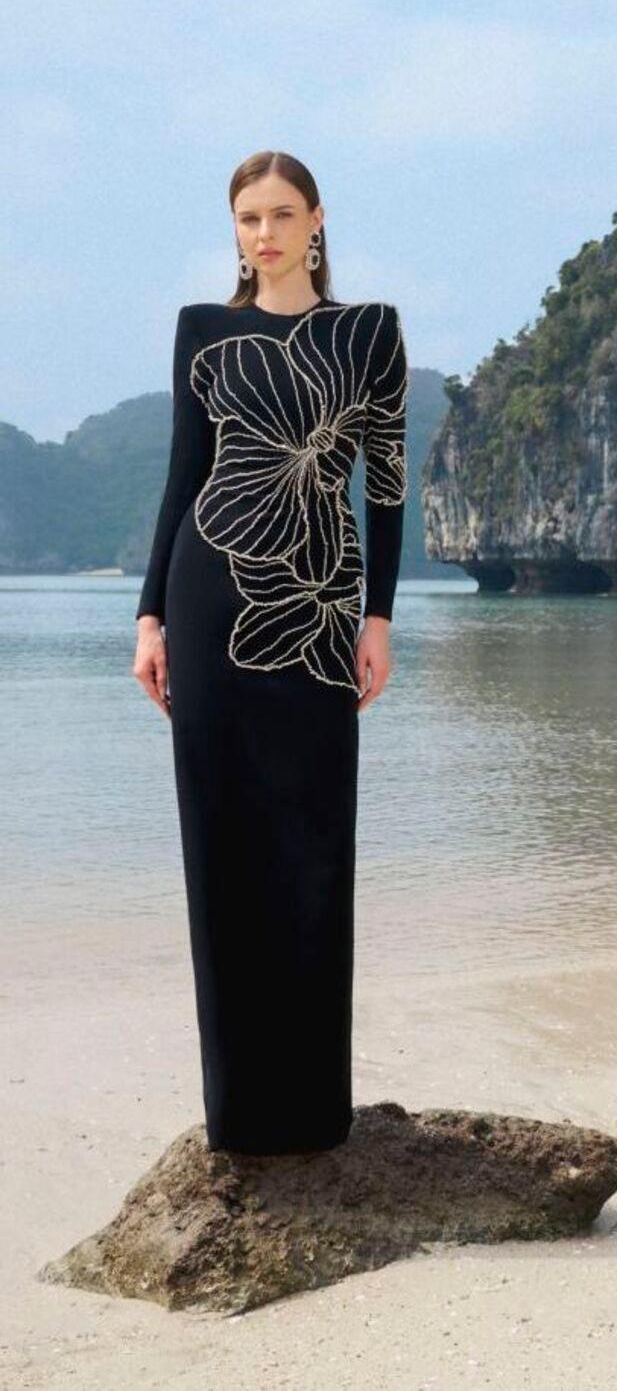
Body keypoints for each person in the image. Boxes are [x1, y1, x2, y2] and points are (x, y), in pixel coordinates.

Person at [132, 150, 407, 1155]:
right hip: (209, 601)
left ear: (316, 220)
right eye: (249, 218)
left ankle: (313, 1110)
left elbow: (385, 485)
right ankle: (241, 1119)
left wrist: (378, 618)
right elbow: (184, 477)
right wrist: (150, 618)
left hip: (319, 608)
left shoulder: (367, 332)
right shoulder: (202, 330)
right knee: (222, 841)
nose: (265, 234)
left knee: (313, 836)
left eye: (283, 214)